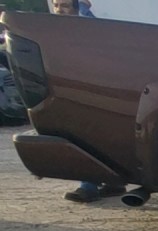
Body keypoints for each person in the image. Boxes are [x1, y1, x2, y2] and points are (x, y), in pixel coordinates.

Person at [52, 0, 122, 202]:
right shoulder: (56, 30)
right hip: (73, 90)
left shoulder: (84, 27)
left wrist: (84, 9)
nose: (59, 10)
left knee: (86, 136)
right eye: (56, 5)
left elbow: (93, 30)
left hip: (92, 90)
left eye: (65, 5)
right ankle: (112, 182)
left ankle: (89, 186)